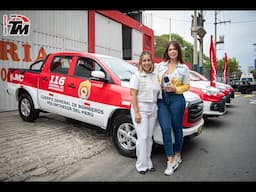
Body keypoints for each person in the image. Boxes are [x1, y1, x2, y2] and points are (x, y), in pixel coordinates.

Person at [156, 41, 190, 176]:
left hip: (177, 99)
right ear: (167, 52)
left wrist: (176, 89)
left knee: (177, 128)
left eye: (174, 49)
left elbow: (187, 85)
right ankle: (170, 160)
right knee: (165, 128)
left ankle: (177, 154)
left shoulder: (183, 68)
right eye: (170, 49)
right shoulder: (161, 66)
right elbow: (154, 79)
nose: (172, 52)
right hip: (162, 100)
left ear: (178, 51)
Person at [130, 51, 160, 174]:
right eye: (144, 61)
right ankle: (141, 165)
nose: (147, 63)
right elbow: (132, 94)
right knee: (142, 137)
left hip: (153, 108)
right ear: (141, 63)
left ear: (152, 62)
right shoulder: (136, 75)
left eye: (149, 60)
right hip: (141, 108)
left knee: (148, 138)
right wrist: (137, 112)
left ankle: (148, 162)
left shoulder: (154, 75)